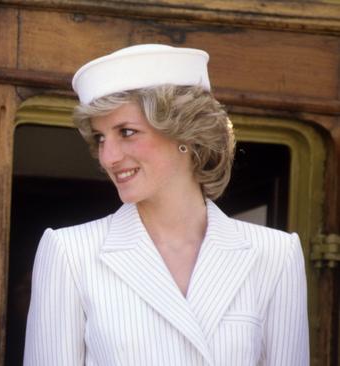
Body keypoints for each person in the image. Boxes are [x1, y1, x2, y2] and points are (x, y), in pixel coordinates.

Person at [23, 44, 309, 365]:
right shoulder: (70, 253)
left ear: (185, 134)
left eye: (127, 132)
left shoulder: (275, 256)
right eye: (101, 138)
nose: (108, 157)